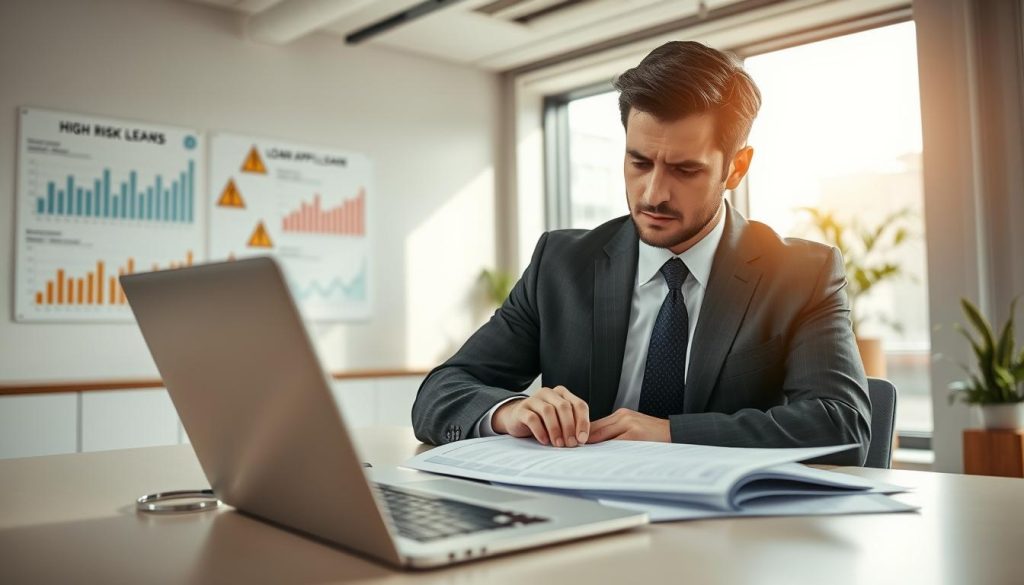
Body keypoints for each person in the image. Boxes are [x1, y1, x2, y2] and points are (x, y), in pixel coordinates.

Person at [411, 41, 871, 465]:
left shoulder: (801, 274)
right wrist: (511, 411)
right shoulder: (561, 264)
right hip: (580, 523)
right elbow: (440, 393)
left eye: (685, 169)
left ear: (736, 168)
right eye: (639, 162)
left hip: (730, 536)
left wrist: (671, 434)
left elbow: (841, 424)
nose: (653, 194)